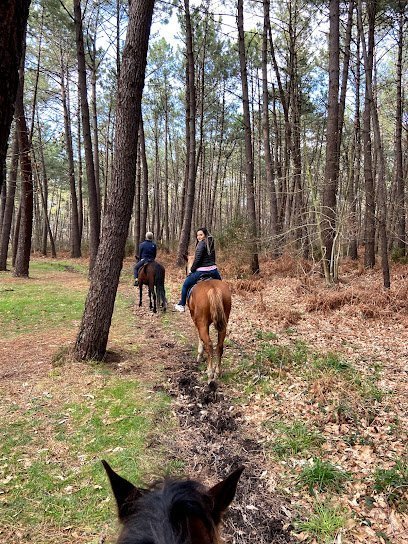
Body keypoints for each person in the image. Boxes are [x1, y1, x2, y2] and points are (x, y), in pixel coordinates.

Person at [174, 227, 222, 312]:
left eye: (201, 235)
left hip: (202, 272)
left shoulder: (201, 244)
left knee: (185, 285)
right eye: (197, 235)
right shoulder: (211, 243)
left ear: (205, 235)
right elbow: (213, 259)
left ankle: (181, 304)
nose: (199, 237)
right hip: (214, 271)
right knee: (221, 286)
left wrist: (191, 270)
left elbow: (197, 260)